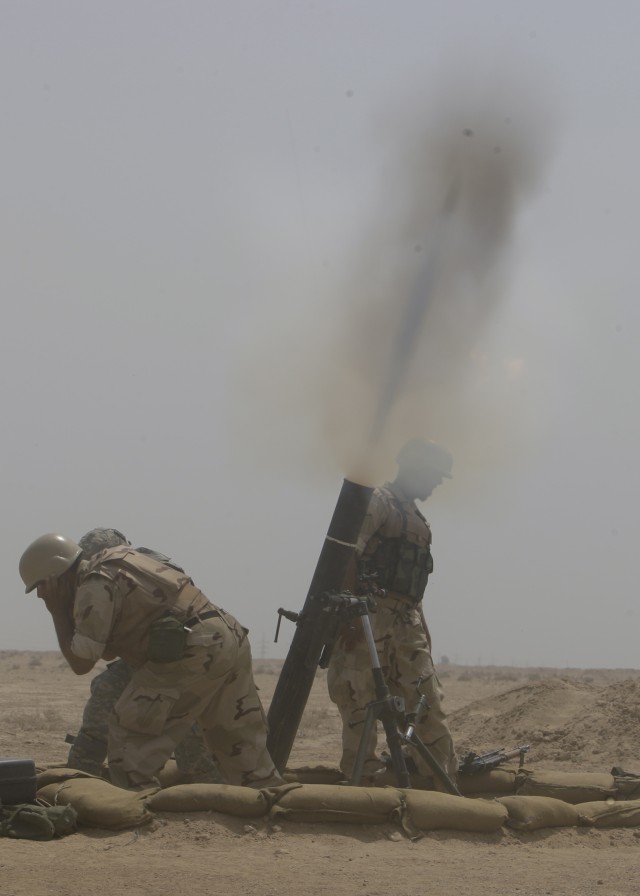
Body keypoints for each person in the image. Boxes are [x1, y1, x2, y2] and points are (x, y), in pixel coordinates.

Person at [19, 533, 283, 791]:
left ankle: (137, 815)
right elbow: (109, 651)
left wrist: (57, 612)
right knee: (239, 747)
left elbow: (81, 663)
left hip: (192, 648)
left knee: (128, 737)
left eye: (41, 586)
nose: (42, 594)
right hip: (226, 635)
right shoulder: (123, 562)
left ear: (56, 572)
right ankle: (275, 804)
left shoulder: (94, 583)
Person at [326, 437, 458, 787]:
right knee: (361, 703)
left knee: (426, 703)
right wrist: (352, 616)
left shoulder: (416, 519)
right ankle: (363, 782)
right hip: (370, 617)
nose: (434, 485)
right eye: (432, 476)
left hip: (406, 621)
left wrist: (423, 629)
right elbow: (348, 556)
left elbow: (412, 585)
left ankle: (435, 778)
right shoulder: (381, 503)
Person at [66, 528, 221, 784]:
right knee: (105, 693)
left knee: (190, 733)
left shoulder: (154, 567)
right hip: (144, 659)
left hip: (181, 660)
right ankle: (81, 774)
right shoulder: (100, 579)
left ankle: (212, 791)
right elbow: (106, 647)